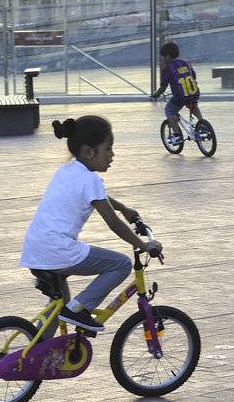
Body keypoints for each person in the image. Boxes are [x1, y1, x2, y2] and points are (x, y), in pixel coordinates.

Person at [19, 115, 161, 334]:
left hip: (35, 249)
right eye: (108, 149)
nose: (112, 154)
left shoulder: (68, 170)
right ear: (88, 152)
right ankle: (79, 308)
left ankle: (34, 354)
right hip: (59, 251)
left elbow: (99, 197)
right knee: (121, 264)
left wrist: (123, 208)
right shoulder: (90, 180)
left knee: (57, 309)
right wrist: (144, 245)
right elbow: (113, 223)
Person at [153, 40, 200, 142]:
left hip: (180, 96)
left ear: (168, 56)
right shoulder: (186, 63)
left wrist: (156, 95)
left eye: (163, 57)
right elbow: (194, 76)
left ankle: (177, 135)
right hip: (194, 93)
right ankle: (202, 125)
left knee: (170, 111)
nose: (163, 59)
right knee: (193, 106)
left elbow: (163, 87)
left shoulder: (167, 69)